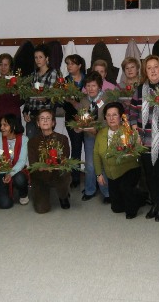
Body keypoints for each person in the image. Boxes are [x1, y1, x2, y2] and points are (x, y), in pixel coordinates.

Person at [128, 55, 159, 222]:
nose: (153, 70)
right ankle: (154, 203)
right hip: (144, 139)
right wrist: (135, 131)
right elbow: (133, 113)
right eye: (149, 68)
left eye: (155, 67)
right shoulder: (140, 90)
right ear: (145, 71)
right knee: (149, 174)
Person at [93, 102, 142, 219]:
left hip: (129, 169)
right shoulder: (101, 133)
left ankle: (139, 196)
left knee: (129, 204)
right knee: (117, 208)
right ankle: (134, 195)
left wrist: (137, 142)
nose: (111, 118)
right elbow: (96, 154)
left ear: (121, 117)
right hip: (112, 174)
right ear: (105, 117)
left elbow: (137, 151)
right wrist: (99, 174)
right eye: (108, 115)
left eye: (115, 115)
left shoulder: (127, 131)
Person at [27, 109, 72, 213]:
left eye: (48, 118)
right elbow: (33, 163)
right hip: (40, 175)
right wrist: (41, 167)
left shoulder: (62, 138)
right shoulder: (32, 141)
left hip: (57, 173)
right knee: (42, 209)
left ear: (53, 122)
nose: (45, 121)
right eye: (42, 119)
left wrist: (55, 165)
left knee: (65, 172)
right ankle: (42, 192)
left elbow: (65, 158)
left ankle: (63, 195)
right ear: (38, 123)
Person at [77, 72, 109, 202]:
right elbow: (80, 119)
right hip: (89, 135)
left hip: (104, 136)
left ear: (99, 86)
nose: (90, 88)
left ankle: (107, 193)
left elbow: (110, 118)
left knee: (104, 163)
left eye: (93, 85)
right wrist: (79, 126)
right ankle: (90, 190)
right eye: (88, 86)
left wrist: (99, 128)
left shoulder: (107, 99)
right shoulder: (84, 100)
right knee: (90, 164)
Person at [0, 114, 29, 209]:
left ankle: (23, 194)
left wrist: (10, 173)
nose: (1, 127)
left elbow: (22, 161)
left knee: (20, 179)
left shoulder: (24, 139)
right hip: (0, 171)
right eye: (1, 125)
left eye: (5, 125)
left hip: (16, 170)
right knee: (5, 204)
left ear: (13, 126)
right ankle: (6, 192)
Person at [22, 45, 58, 139]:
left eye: (40, 57)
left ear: (47, 58)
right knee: (31, 144)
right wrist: (25, 112)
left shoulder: (52, 73)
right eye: (36, 57)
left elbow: (51, 96)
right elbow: (28, 97)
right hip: (32, 115)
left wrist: (41, 97)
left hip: (45, 115)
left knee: (45, 144)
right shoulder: (33, 75)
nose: (38, 60)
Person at [63, 54, 86, 188]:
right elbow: (61, 103)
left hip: (88, 118)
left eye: (72, 63)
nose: (69, 66)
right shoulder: (64, 81)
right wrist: (68, 101)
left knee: (90, 148)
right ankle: (75, 177)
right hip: (72, 119)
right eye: (68, 64)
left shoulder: (87, 79)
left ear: (79, 66)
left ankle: (93, 175)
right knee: (76, 147)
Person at [0, 53, 23, 133]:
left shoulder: (16, 80)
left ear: (10, 66)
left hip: (13, 118)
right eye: (0, 64)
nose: (3, 67)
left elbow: (21, 101)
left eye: (6, 65)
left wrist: (17, 93)